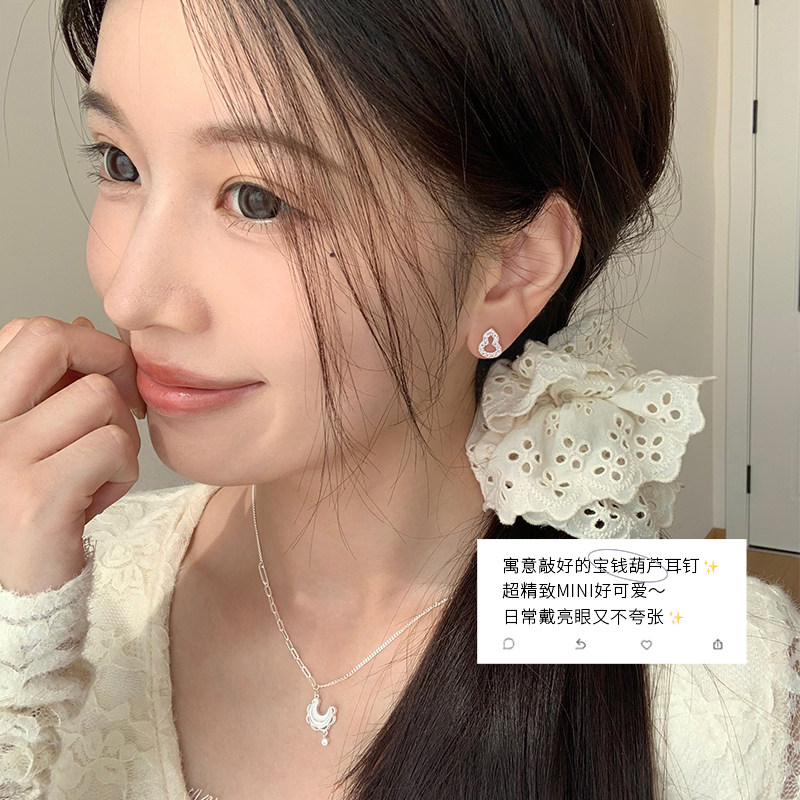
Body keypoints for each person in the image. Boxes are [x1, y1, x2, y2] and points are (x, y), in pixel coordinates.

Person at [0, 0, 798, 798]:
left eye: (256, 199)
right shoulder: (50, 593)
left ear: (512, 269)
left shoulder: (717, 681)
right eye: (121, 163)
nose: (131, 293)